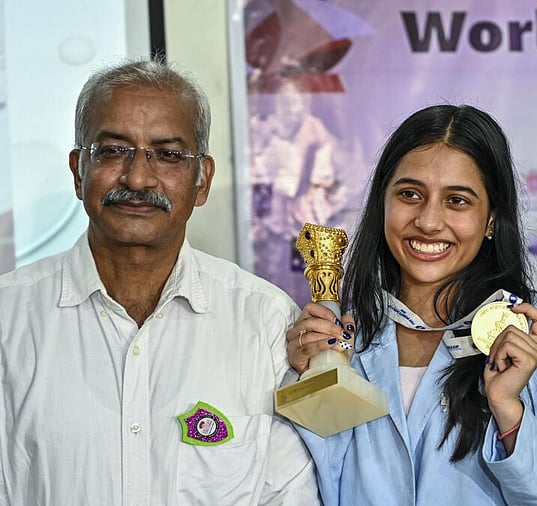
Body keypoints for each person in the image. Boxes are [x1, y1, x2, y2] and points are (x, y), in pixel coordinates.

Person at [0, 59, 320, 504]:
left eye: (168, 155)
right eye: (112, 151)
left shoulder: (263, 320)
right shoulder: (9, 318)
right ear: (78, 171)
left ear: (201, 180)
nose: (137, 177)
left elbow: (288, 495)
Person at [285, 104, 537, 504]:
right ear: (383, 203)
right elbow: (317, 486)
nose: (429, 221)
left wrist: (507, 409)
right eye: (410, 195)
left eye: (457, 200)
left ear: (490, 220)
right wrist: (307, 378)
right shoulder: (344, 332)